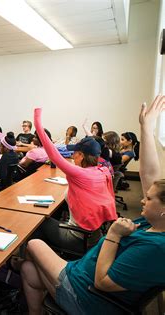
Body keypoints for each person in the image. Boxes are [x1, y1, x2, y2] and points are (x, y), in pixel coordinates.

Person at [20, 95, 165, 315]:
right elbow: (150, 176)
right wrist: (147, 128)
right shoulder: (105, 171)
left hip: (84, 293)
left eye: (150, 198)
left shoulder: (155, 248)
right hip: (87, 254)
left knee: (33, 239)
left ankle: (14, 267)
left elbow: (102, 282)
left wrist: (114, 234)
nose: (143, 199)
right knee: (29, 269)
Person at [31, 109, 117, 254]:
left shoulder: (79, 173)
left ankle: (38, 258)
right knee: (54, 212)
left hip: (77, 237)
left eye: (74, 153)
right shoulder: (103, 171)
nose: (72, 156)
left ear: (81, 155)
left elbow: (52, 152)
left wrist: (37, 120)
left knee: (36, 222)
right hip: (95, 236)